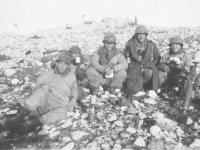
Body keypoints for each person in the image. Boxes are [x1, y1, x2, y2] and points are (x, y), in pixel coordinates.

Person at [0, 55, 77, 134]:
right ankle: (20, 116)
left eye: (65, 64)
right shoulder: (48, 74)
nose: (62, 66)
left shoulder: (72, 77)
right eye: (60, 63)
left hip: (59, 105)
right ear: (56, 63)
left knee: (62, 112)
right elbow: (36, 88)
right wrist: (43, 88)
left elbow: (74, 93)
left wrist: (71, 104)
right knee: (42, 88)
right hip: (45, 102)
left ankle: (33, 123)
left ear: (68, 66)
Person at [123, 25, 160, 97]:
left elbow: (157, 57)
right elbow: (124, 55)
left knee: (151, 73)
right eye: (139, 34)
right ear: (136, 35)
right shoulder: (130, 44)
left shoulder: (151, 44)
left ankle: (147, 87)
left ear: (146, 35)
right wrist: (127, 64)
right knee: (132, 78)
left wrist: (152, 65)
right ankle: (135, 91)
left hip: (147, 66)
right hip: (134, 66)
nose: (141, 36)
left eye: (143, 34)